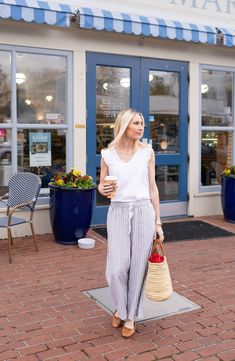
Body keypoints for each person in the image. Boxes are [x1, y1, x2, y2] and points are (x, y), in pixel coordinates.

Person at [98, 108, 164, 338]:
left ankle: (131, 316)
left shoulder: (147, 152)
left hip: (143, 211)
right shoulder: (108, 154)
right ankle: (120, 306)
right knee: (117, 268)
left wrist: (158, 222)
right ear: (124, 125)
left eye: (142, 123)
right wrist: (103, 189)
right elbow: (102, 185)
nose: (140, 127)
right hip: (117, 211)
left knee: (138, 266)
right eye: (136, 123)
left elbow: (153, 188)